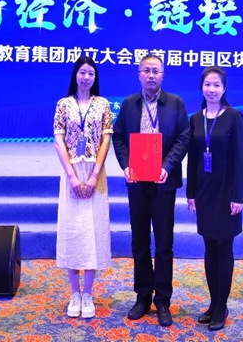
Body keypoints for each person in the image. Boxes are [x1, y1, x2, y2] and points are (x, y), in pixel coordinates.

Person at [112, 54, 190, 327]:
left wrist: (167, 166)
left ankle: (163, 301)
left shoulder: (176, 103)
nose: (151, 75)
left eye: (156, 71)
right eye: (146, 70)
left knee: (164, 243)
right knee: (140, 241)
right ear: (139, 74)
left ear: (163, 75)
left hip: (163, 182)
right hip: (137, 182)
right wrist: (126, 165)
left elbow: (183, 138)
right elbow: (118, 137)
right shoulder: (129, 104)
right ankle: (143, 297)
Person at [186, 66, 243, 331]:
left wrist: (238, 196)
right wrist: (191, 193)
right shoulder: (195, 119)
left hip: (226, 192)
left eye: (216, 85)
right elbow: (193, 160)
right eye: (207, 85)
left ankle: (222, 306)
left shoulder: (234, 117)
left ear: (224, 89)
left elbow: (240, 159)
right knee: (209, 248)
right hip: (204, 192)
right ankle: (213, 304)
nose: (211, 89)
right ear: (202, 88)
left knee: (224, 247)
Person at [53, 56, 113, 319]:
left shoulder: (103, 104)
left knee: (93, 232)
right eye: (82, 72)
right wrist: (72, 176)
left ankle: (88, 293)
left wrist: (94, 175)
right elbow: (58, 141)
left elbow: (106, 140)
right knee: (73, 231)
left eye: (91, 73)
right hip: (72, 173)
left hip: (95, 173)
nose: (86, 77)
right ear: (75, 75)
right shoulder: (63, 104)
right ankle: (74, 293)